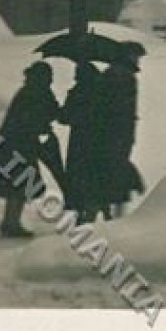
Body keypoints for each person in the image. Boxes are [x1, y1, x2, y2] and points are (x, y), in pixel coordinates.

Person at [0, 61, 61, 237]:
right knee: (19, 187)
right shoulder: (34, 93)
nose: (51, 80)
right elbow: (36, 118)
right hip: (19, 146)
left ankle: (9, 222)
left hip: (13, 145)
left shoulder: (31, 91)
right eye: (48, 76)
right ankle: (11, 224)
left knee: (17, 186)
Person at [60, 60, 112, 224]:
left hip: (80, 141)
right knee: (95, 177)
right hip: (100, 140)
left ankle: (84, 214)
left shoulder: (78, 92)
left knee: (80, 178)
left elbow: (66, 117)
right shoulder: (104, 90)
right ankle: (101, 210)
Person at [99, 44, 147, 219]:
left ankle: (108, 212)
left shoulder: (108, 75)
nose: (137, 60)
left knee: (108, 173)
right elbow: (122, 109)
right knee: (117, 173)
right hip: (118, 133)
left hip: (110, 133)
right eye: (136, 56)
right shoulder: (125, 78)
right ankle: (116, 215)